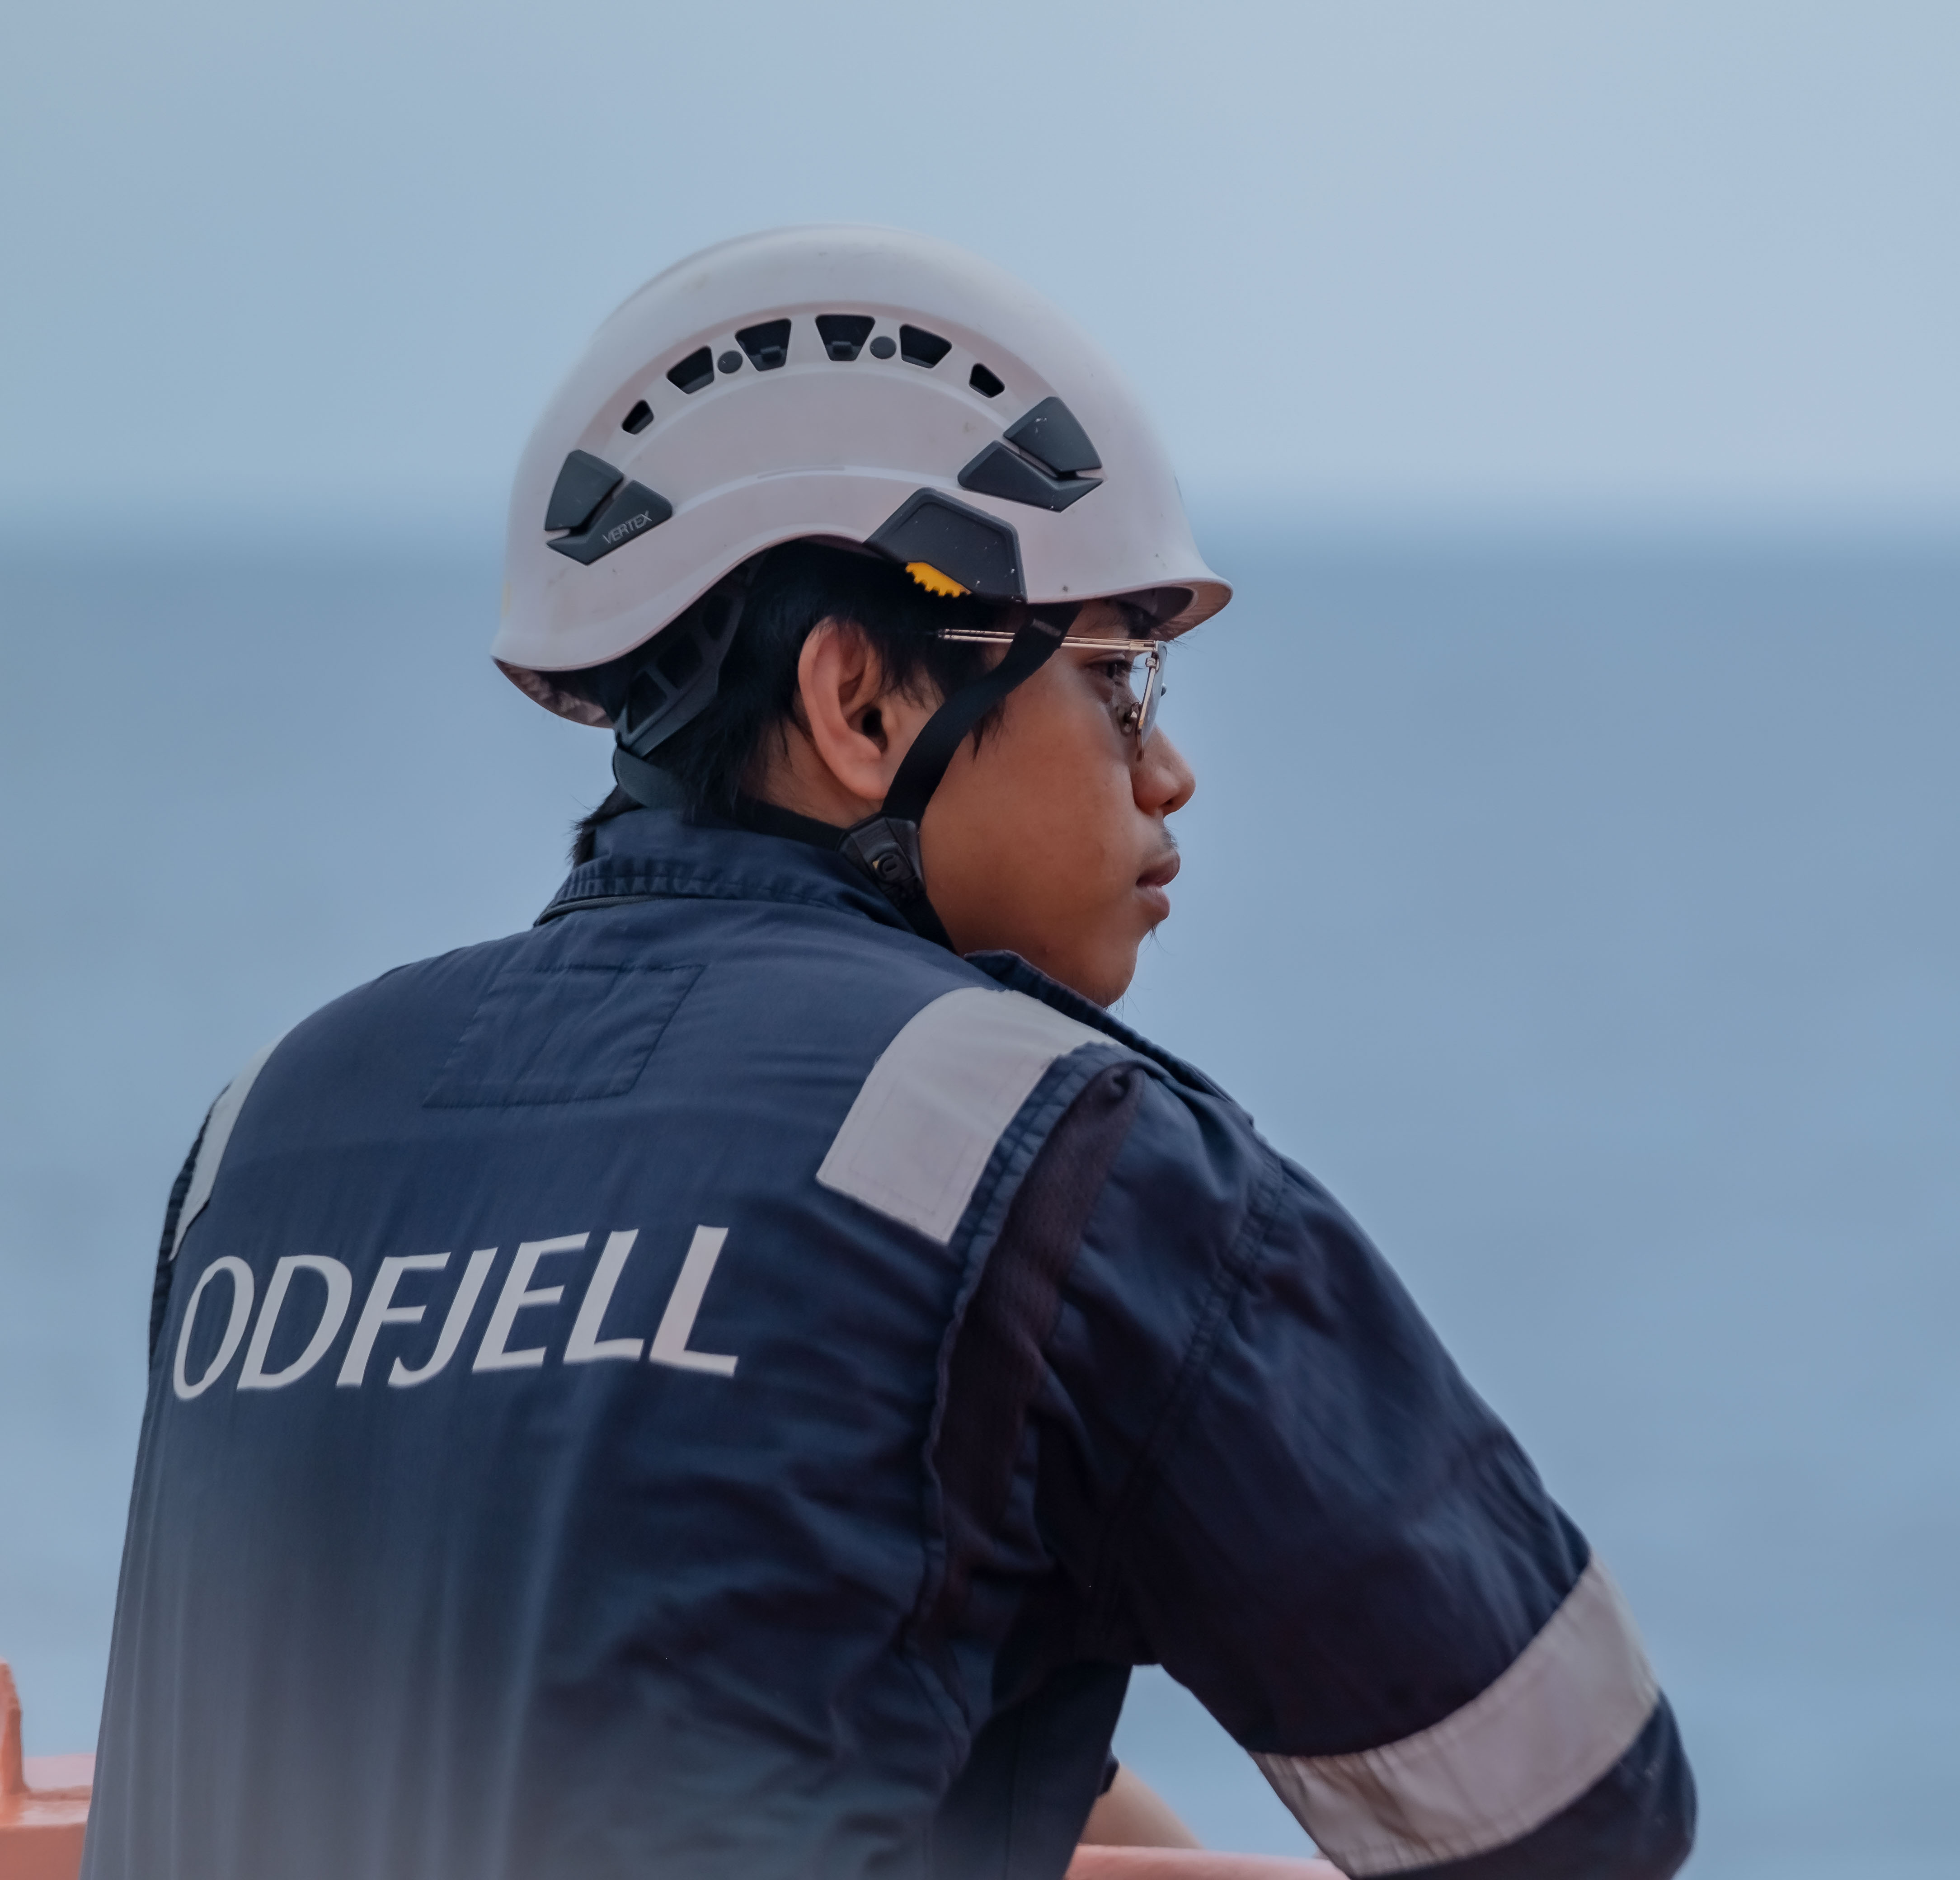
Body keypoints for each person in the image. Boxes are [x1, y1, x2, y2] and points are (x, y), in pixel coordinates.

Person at [85, 226, 1694, 1880]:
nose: (1172, 773)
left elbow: (613, 1691)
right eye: (1120, 681)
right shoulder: (1050, 1146)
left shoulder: (264, 1135)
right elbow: (1573, 1807)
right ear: (858, 705)